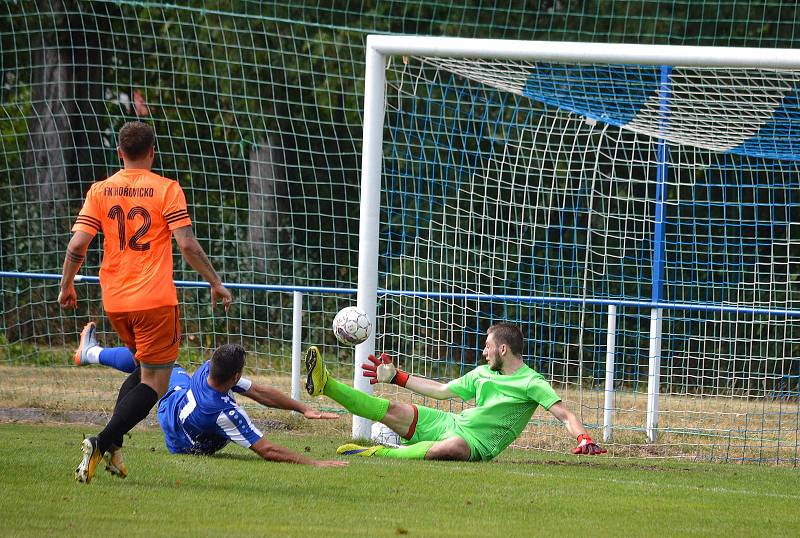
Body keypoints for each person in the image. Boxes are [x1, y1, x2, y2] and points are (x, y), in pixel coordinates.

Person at [58, 121, 233, 483]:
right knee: (156, 381)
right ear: (152, 151)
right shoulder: (166, 189)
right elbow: (186, 243)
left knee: (142, 369)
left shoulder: (99, 191)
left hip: (116, 300)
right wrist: (215, 282)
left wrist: (67, 286)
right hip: (153, 299)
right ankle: (101, 441)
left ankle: (114, 444)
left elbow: (77, 245)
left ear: (120, 153)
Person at [305, 321, 606, 461]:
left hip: (474, 444)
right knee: (392, 409)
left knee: (455, 448)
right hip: (449, 424)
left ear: (503, 348)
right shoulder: (483, 374)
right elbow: (441, 390)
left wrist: (584, 437)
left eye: (488, 347)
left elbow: (564, 414)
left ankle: (382, 451)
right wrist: (395, 376)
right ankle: (326, 384)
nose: (484, 353)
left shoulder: (531, 382)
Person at [73, 334, 346, 471]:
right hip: (181, 443)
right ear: (235, 375)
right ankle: (110, 435)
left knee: (156, 364)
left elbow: (260, 393)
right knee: (153, 370)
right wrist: (314, 463)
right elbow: (267, 450)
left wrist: (303, 408)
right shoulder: (223, 412)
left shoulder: (208, 370)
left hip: (174, 402)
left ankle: (91, 352)